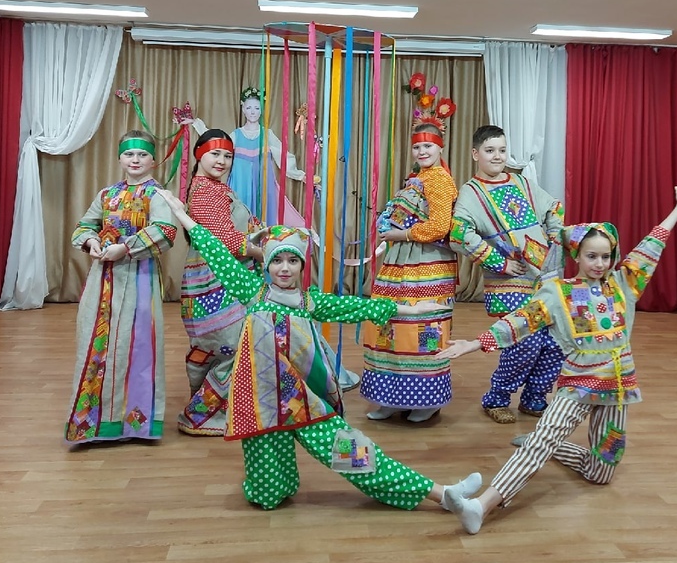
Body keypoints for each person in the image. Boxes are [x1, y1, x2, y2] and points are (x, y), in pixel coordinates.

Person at [157, 188, 481, 513]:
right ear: (266, 264)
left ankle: (442, 494)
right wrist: (182, 214)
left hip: (304, 403)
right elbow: (216, 252)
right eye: (277, 260)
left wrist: (413, 309)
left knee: (358, 456)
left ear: (302, 265)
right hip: (261, 406)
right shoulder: (252, 292)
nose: (284, 268)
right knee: (268, 495)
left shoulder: (310, 302)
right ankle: (278, 487)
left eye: (292, 260)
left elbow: (359, 307)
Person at [443, 168, 677, 534]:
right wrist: (473, 343)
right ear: (578, 255)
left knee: (601, 471)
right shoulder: (557, 292)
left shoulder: (625, 283)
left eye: (606, 256)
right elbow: (520, 321)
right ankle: (480, 507)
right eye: (592, 256)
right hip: (577, 384)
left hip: (618, 389)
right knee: (542, 442)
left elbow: (651, 246)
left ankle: (549, 445)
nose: (599, 264)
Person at [65, 131, 177, 444]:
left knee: (137, 343)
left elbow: (165, 230)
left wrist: (126, 248)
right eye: (129, 154)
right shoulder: (107, 195)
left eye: (142, 154)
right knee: (96, 341)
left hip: (140, 277)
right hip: (103, 278)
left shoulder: (158, 195)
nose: (135, 160)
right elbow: (85, 225)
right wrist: (91, 241)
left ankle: (134, 423)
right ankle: (95, 422)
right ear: (120, 159)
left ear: (153, 160)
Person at [450, 125, 565, 423]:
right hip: (509, 282)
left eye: (502, 150)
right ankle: (497, 398)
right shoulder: (471, 193)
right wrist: (499, 262)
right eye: (490, 150)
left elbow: (553, 208)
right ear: (475, 154)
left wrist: (555, 239)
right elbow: (459, 234)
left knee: (555, 342)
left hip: (545, 277)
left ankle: (534, 397)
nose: (497, 156)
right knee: (524, 341)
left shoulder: (522, 182)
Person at [361, 114, 458, 423]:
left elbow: (440, 226)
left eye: (428, 146)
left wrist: (401, 235)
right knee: (390, 324)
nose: (422, 151)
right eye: (417, 147)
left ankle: (425, 400)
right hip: (402, 262)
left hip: (426, 264)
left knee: (422, 328)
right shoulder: (418, 177)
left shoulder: (439, 180)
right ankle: (391, 397)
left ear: (440, 147)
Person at [178, 129, 262, 436]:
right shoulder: (206, 191)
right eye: (215, 153)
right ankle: (198, 416)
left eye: (228, 156)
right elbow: (227, 240)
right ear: (199, 153)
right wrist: (267, 253)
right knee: (235, 345)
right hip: (217, 282)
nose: (222, 161)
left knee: (210, 347)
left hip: (214, 281)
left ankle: (206, 404)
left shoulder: (213, 187)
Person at [229, 87, 307, 227]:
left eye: (257, 108)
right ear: (243, 109)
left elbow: (283, 155)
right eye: (249, 108)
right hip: (240, 181)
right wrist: (196, 125)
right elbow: (217, 144)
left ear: (261, 110)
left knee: (264, 215)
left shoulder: (267, 134)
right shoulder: (236, 135)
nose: (253, 112)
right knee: (239, 214)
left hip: (263, 181)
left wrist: (300, 175)